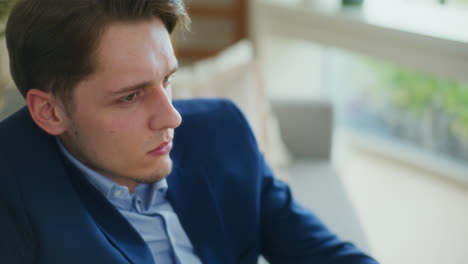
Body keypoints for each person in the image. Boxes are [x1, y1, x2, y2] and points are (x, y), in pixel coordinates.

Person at [0, 0, 379, 263]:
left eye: (167, 80)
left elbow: (319, 253)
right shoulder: (11, 191)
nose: (172, 117)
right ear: (50, 112)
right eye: (130, 96)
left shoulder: (221, 131)